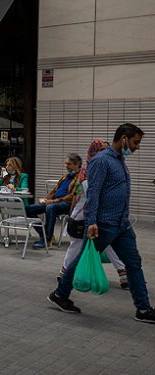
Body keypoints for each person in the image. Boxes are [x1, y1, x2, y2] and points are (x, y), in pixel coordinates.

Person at [48, 123, 155, 323]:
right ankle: (60, 294)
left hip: (122, 224)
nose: (137, 147)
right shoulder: (101, 161)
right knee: (81, 259)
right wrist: (91, 222)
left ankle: (143, 309)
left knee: (134, 264)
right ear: (124, 138)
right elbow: (93, 193)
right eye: (135, 142)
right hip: (104, 224)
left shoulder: (119, 160)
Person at [57, 139, 128, 289]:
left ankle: (123, 273)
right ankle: (64, 276)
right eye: (102, 150)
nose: (106, 154)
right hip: (85, 216)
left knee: (108, 243)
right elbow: (88, 196)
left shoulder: (96, 168)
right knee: (77, 246)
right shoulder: (90, 171)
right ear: (94, 152)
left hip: (95, 216)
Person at [25, 153, 81, 249]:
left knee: (51, 207)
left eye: (69, 164)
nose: (66, 166)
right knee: (28, 209)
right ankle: (44, 234)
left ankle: (47, 239)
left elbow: (73, 196)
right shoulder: (65, 177)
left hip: (68, 204)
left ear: (77, 164)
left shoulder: (80, 178)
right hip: (55, 202)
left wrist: (53, 201)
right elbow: (54, 191)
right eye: (66, 164)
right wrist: (47, 199)